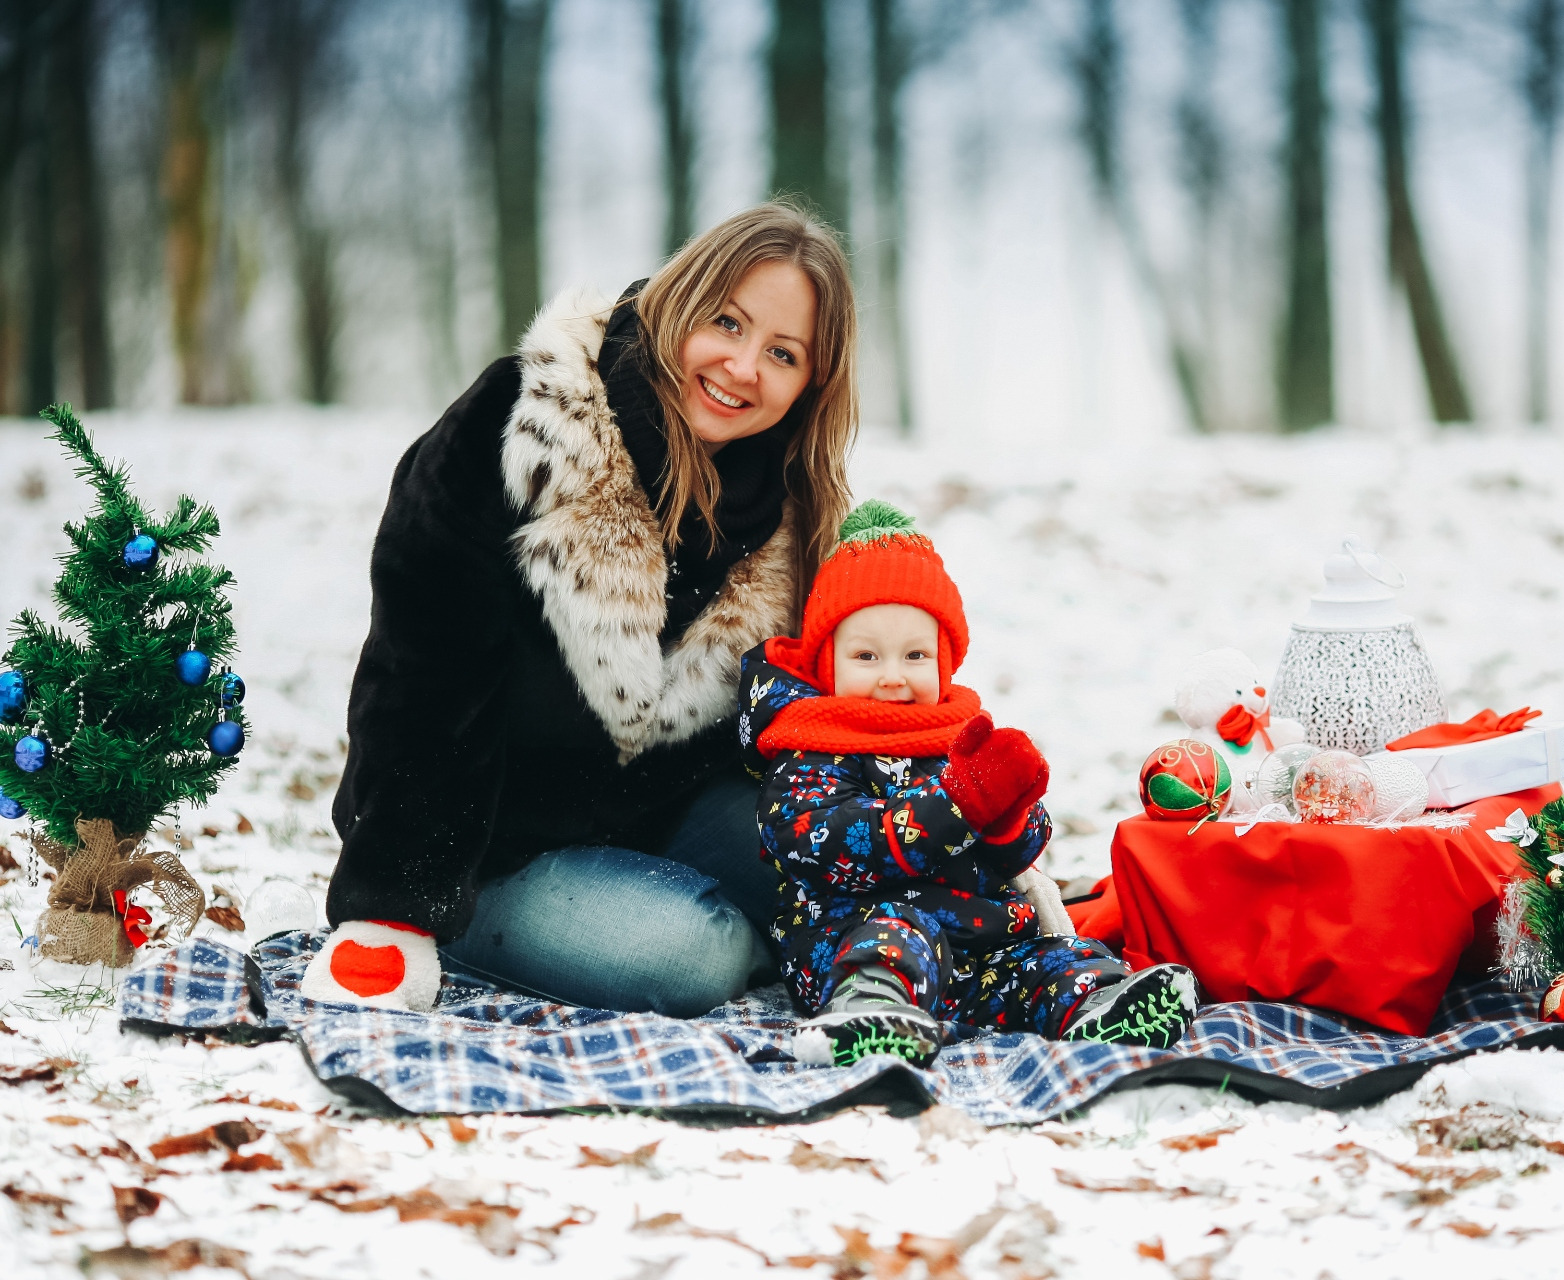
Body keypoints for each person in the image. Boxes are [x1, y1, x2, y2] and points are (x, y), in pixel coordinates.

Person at [301, 202, 858, 1016]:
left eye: (782, 353)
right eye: (727, 324)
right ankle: (477, 928)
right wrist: (398, 904)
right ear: (681, 300)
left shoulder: (789, 509)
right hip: (483, 841)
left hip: (654, 814)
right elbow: (419, 682)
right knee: (698, 951)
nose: (743, 367)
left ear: (812, 383)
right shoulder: (524, 425)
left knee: (850, 872)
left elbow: (836, 706)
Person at [739, 501, 1197, 1067]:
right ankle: (869, 1015)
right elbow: (829, 842)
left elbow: (1023, 854)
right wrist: (954, 805)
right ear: (826, 662)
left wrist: (1007, 817)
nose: (892, 675)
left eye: (915, 655)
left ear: (944, 661)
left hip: (979, 942)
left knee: (1054, 957)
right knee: (894, 933)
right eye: (865, 655)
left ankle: (1101, 1007)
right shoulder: (813, 746)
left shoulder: (955, 735)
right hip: (852, 943)